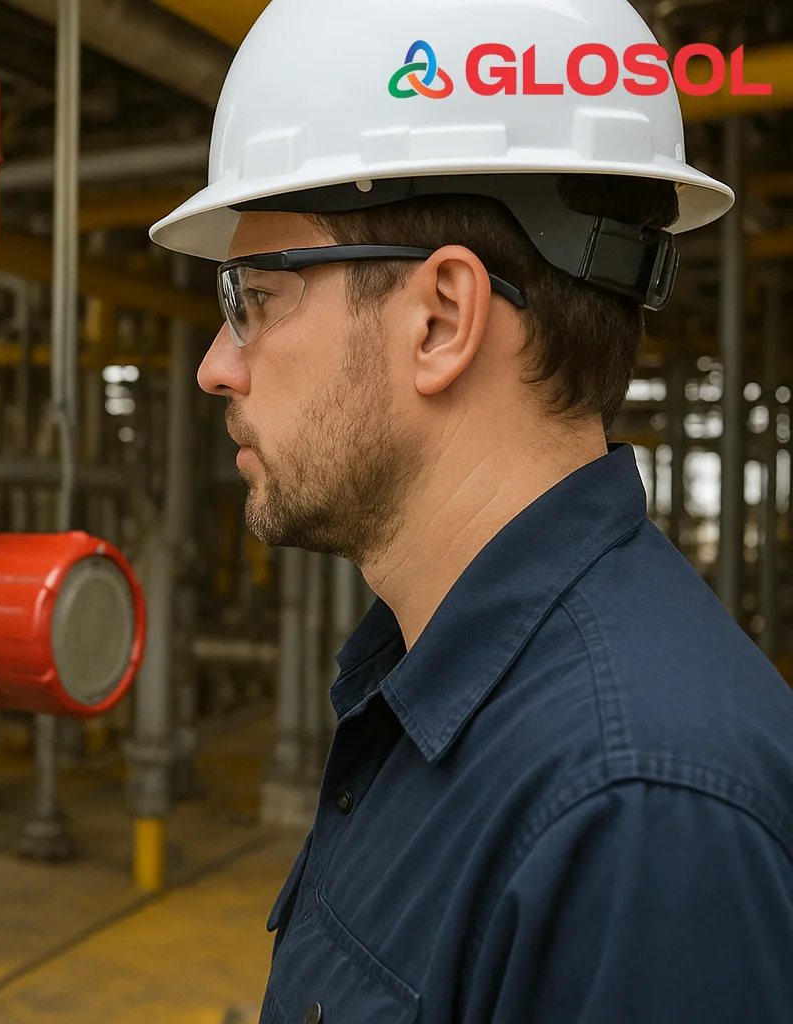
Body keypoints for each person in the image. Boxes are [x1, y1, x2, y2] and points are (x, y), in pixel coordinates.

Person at [150, 2, 793, 1022]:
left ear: (442, 318)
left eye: (255, 298)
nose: (217, 365)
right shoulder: (437, 689)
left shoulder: (639, 820)